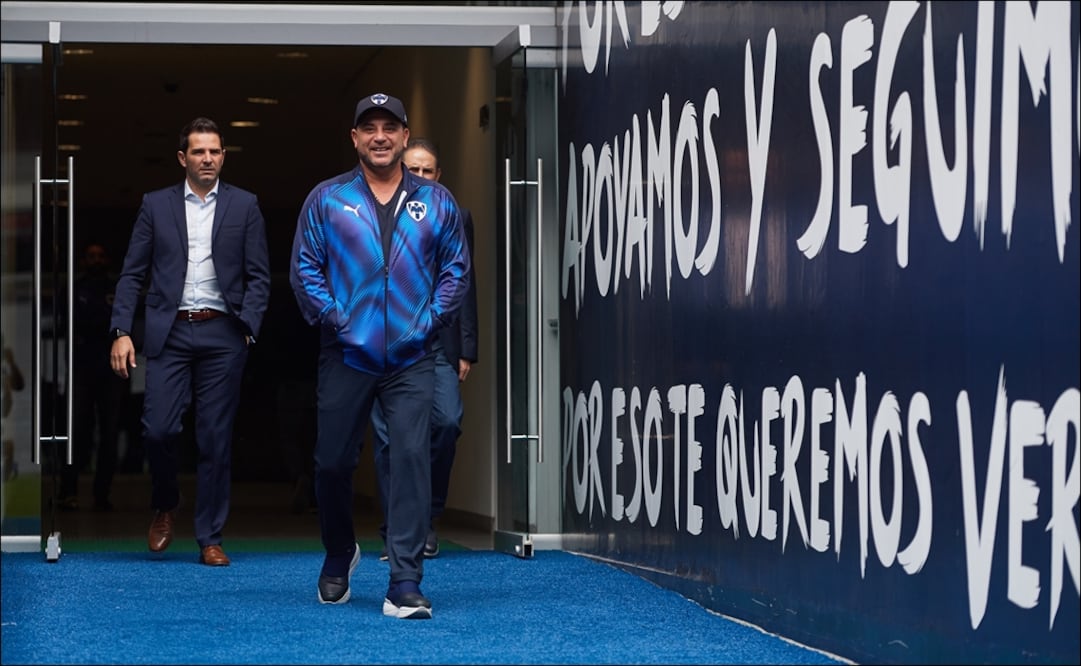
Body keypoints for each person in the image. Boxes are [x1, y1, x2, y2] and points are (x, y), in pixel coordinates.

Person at [290, 93, 470, 619]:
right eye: (369, 127)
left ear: (404, 135)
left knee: (411, 458)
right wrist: (339, 321)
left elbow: (456, 269)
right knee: (332, 462)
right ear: (354, 138)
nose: (380, 136)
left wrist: (429, 321)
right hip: (346, 352)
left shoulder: (438, 203)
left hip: (412, 354)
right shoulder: (327, 199)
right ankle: (339, 552)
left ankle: (404, 579)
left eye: (389, 126)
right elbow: (306, 268)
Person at [109, 116, 271, 567]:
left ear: (224, 156)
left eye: (215, 151)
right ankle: (165, 504)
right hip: (169, 331)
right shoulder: (155, 205)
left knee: (215, 437)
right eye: (199, 151)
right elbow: (132, 273)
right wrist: (122, 331)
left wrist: (248, 326)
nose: (207, 158)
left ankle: (210, 536)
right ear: (183, 158)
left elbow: (260, 275)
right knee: (158, 428)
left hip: (224, 332)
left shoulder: (245, 205)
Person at [371, 138, 478, 560]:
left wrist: (466, 347)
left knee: (447, 420)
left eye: (426, 170)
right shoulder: (375, 211)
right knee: (388, 439)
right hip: (383, 341)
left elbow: (465, 282)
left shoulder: (454, 215)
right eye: (410, 168)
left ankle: (427, 515)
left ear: (439, 177)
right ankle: (400, 527)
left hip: (435, 342)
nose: (418, 176)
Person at [58, 242, 129, 511]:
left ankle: (102, 494)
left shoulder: (118, 288)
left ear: (108, 259)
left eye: (101, 256)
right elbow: (68, 323)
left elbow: (123, 323)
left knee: (109, 433)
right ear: (84, 260)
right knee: (76, 430)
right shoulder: (74, 288)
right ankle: (68, 491)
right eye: (91, 256)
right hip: (81, 368)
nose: (96, 260)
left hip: (112, 369)